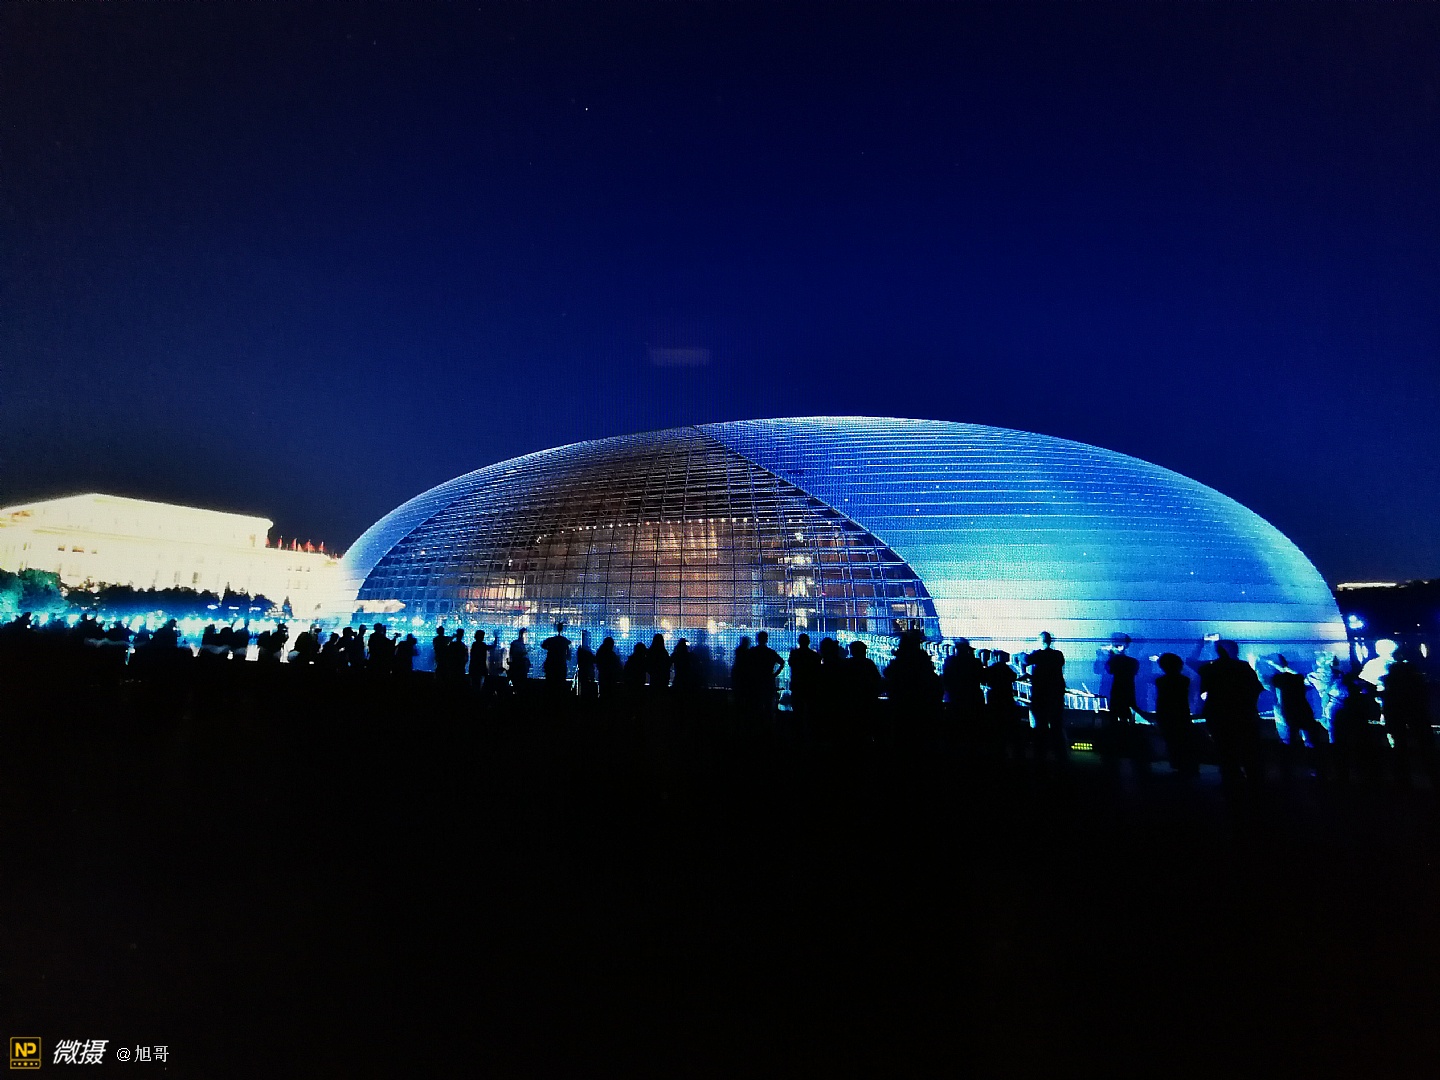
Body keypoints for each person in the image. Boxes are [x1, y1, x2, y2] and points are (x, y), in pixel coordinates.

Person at [1197, 637, 1265, 787]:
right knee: (1247, 748)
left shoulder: (1210, 668)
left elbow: (1204, 692)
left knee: (1225, 748)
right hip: (1243, 714)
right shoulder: (1243, 667)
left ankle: (1232, 780)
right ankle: (1254, 782)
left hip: (1218, 715)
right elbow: (1256, 689)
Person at [1378, 646, 1436, 788]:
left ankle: (1403, 780)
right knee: (1424, 745)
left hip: (1402, 716)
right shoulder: (1414, 679)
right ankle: (1432, 776)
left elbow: (1388, 703)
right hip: (1415, 715)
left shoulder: (1391, 682)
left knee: (1401, 747)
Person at [1266, 654, 1329, 775]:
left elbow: (1273, 681)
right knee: (1309, 742)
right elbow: (1297, 677)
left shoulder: (1277, 679)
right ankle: (1315, 769)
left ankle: (1287, 772)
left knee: (1288, 743)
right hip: (1302, 713)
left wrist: (1272, 665)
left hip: (1288, 715)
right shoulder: (1297, 677)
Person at [1102, 635, 1147, 770]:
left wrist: (1111, 656)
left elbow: (1110, 670)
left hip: (1119, 691)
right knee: (1125, 717)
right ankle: (1125, 745)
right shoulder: (1132, 661)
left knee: (1118, 717)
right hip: (1126, 691)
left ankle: (1119, 746)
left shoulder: (1126, 661)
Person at [1152, 653, 1197, 777]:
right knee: (1183, 740)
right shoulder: (1185, 680)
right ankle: (1187, 767)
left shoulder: (1160, 681)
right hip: (1181, 713)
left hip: (1166, 713)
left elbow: (1161, 700)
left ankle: (1179, 766)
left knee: (1172, 741)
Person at [1025, 632, 1068, 762]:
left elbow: (1026, 660)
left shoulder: (1037, 655)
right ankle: (1060, 757)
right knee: (1056, 727)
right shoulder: (1058, 655)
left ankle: (1040, 756)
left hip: (1040, 697)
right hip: (1055, 697)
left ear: (1041, 641)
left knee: (1040, 727)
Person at [941, 638, 985, 746]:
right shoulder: (974, 662)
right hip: (972, 699)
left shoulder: (950, 662)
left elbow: (946, 679)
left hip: (955, 699)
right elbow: (982, 678)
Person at [981, 649, 1021, 760]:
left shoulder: (992, 669)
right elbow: (1013, 676)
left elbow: (983, 678)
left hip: (994, 699)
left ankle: (997, 751)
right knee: (1007, 725)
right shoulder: (1006, 669)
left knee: (995, 725)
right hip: (1006, 698)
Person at [787, 633, 822, 733]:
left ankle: (797, 731)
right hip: (810, 685)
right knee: (810, 709)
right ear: (808, 642)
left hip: (797, 684)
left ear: (799, 642)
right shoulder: (814, 655)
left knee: (797, 710)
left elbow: (790, 663)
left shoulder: (794, 654)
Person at [749, 631, 784, 718]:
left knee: (756, 706)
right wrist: (774, 675)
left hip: (755, 682)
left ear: (757, 639)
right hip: (768, 681)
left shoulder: (753, 652)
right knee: (768, 706)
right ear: (766, 639)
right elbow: (782, 662)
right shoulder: (770, 652)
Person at [541, 621, 572, 692]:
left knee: (550, 684)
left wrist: (550, 649)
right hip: (560, 665)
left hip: (551, 665)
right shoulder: (565, 641)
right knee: (560, 684)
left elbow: (543, 645)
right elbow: (569, 656)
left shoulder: (551, 640)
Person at [575, 631, 597, 704]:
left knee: (583, 688)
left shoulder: (582, 649)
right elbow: (593, 659)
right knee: (585, 688)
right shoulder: (584, 650)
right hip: (586, 673)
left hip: (584, 672)